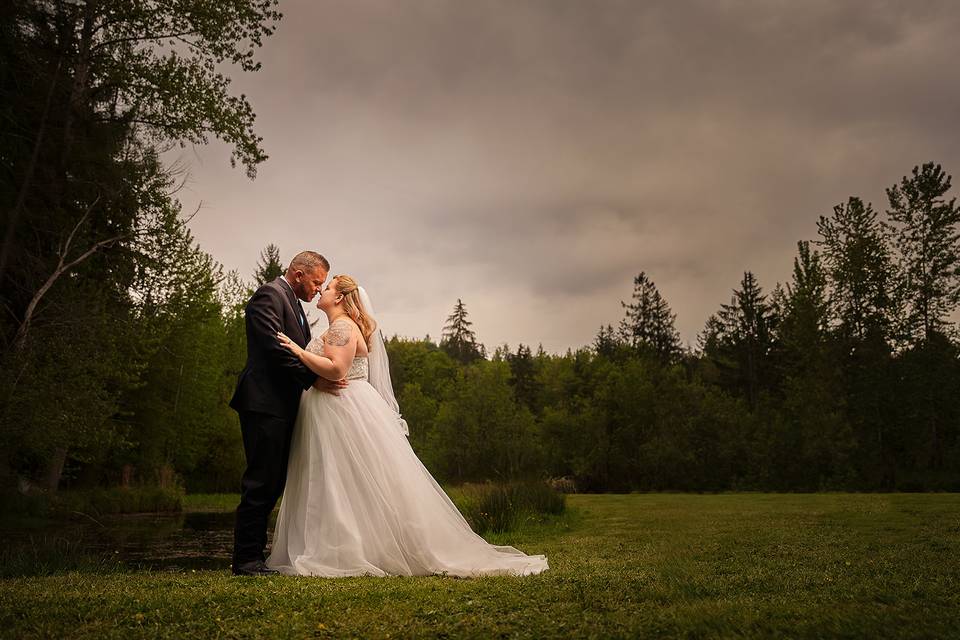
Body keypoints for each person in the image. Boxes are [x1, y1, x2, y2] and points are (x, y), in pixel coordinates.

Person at [268, 274, 548, 577]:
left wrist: (298, 351)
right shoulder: (339, 326)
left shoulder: (342, 326)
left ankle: (344, 551)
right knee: (340, 481)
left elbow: (336, 370)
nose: (322, 290)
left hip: (341, 410)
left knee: (342, 479)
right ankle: (340, 545)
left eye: (329, 286)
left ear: (339, 298)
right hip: (332, 409)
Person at [228, 250, 343, 576]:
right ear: (298, 274)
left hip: (280, 404)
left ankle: (254, 557)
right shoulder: (269, 295)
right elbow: (273, 347)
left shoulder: (292, 303)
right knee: (261, 480)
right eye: (317, 282)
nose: (318, 290)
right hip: (264, 403)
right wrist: (315, 380)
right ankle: (246, 560)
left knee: (273, 480)